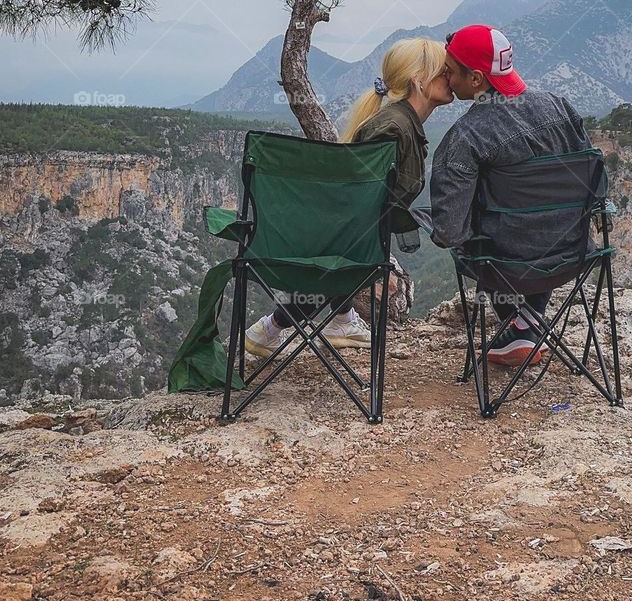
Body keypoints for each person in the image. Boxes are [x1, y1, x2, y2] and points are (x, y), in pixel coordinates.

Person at [244, 37, 453, 358]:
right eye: (444, 72)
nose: (451, 77)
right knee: (349, 257)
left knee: (350, 253)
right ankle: (270, 328)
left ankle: (340, 320)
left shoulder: (399, 123)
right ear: (419, 81)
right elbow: (357, 214)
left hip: (333, 235)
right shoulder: (393, 129)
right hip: (338, 242)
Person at [429, 24, 594, 366]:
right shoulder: (561, 108)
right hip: (571, 254)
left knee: (479, 234)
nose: (445, 76)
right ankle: (527, 321)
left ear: (475, 79)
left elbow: (449, 232)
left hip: (505, 266)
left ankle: (522, 323)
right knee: (540, 221)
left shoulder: (466, 136)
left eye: (449, 71)